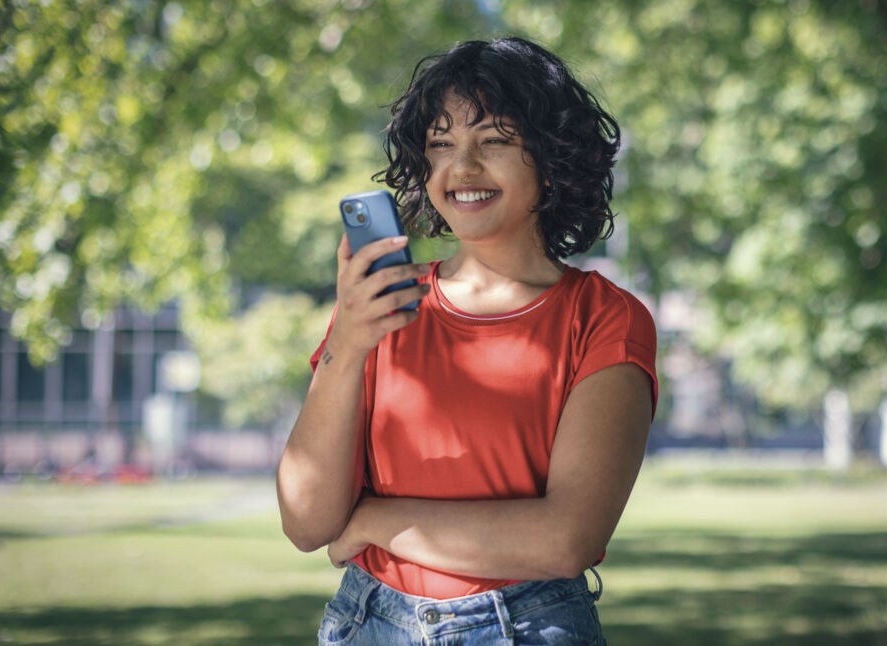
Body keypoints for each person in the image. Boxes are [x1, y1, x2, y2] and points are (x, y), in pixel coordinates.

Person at [277, 35, 658, 645]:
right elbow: (306, 523)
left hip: (526, 628)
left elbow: (566, 540)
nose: (463, 167)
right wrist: (345, 349)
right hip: (367, 624)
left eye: (495, 141)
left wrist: (376, 519)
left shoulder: (605, 319)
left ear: (552, 156)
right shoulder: (374, 311)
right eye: (441, 145)